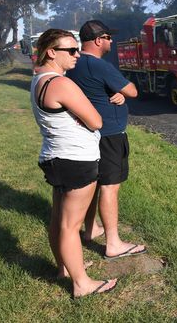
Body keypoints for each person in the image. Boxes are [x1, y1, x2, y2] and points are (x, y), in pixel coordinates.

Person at [31, 29, 118, 298]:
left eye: (77, 49)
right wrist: (86, 116)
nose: (77, 54)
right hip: (75, 159)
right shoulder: (62, 84)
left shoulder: (39, 80)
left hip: (55, 156)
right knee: (70, 226)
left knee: (59, 219)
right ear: (51, 52)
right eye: (71, 50)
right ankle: (82, 284)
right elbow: (97, 121)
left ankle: (64, 269)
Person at [66, 20, 146, 260]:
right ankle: (113, 243)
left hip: (91, 134)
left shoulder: (75, 63)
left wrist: (114, 93)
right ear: (99, 40)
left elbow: (93, 91)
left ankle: (90, 229)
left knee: (96, 184)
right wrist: (122, 91)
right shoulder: (98, 65)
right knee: (110, 187)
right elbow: (133, 90)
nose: (111, 42)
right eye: (109, 38)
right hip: (110, 135)